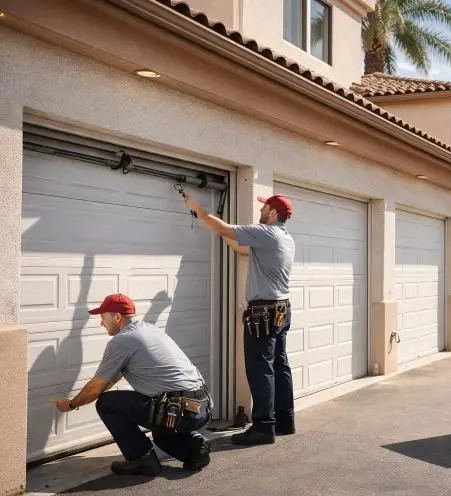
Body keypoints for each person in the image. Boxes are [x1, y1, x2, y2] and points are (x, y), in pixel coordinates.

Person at [53, 293, 212, 476]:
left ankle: (141, 459)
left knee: (106, 403)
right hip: (201, 407)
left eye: (103, 317)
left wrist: (72, 404)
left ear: (117, 317)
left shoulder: (122, 341)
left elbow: (96, 388)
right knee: (160, 435)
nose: (101, 323)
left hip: (180, 411)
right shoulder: (149, 329)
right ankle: (194, 448)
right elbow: (113, 377)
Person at [183, 191, 295, 446]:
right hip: (280, 309)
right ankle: (284, 421)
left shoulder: (267, 233)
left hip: (264, 312)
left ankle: (264, 428)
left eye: (265, 207)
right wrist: (222, 232)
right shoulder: (285, 238)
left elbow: (224, 227)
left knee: (260, 370)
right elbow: (237, 244)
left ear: (273, 212)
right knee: (278, 366)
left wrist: (198, 209)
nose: (261, 210)